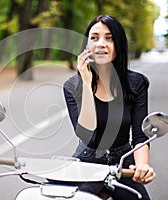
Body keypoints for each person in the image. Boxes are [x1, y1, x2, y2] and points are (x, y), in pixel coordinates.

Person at [63, 15, 155, 199]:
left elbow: (139, 135)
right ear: (87, 46)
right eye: (94, 38)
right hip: (88, 160)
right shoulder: (72, 86)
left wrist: (142, 166)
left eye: (109, 37)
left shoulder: (136, 83)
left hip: (123, 161)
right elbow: (86, 134)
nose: (101, 44)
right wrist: (87, 84)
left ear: (118, 44)